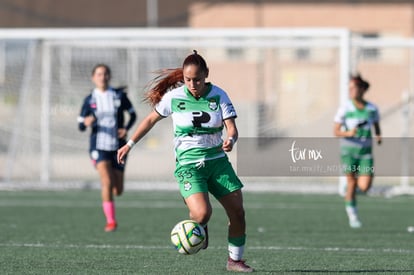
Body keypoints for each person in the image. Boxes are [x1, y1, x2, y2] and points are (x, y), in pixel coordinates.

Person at [117, 51, 253, 272]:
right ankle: (201, 225)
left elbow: (232, 128)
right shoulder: (174, 97)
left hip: (217, 162)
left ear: (206, 74)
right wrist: (129, 144)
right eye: (188, 80)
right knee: (201, 215)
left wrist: (231, 139)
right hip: (189, 166)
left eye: (197, 79)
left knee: (238, 211)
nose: (192, 84)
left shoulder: (219, 95)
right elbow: (151, 119)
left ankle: (234, 261)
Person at [78, 64, 137, 232]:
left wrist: (125, 128)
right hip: (99, 147)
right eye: (98, 74)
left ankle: (111, 206)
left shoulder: (118, 96)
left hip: (119, 147)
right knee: (106, 181)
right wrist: (85, 122)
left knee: (118, 190)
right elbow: (80, 124)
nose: (102, 77)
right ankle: (111, 221)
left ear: (109, 76)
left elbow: (133, 114)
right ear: (93, 78)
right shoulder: (89, 99)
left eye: (105, 74)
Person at [334, 74, 381, 228]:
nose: (352, 91)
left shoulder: (372, 108)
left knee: (365, 186)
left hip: (365, 153)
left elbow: (376, 126)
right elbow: (336, 131)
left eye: (354, 88)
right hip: (348, 153)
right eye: (350, 88)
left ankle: (350, 191)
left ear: (362, 89)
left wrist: (379, 136)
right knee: (352, 182)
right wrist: (348, 133)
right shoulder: (345, 108)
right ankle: (353, 217)